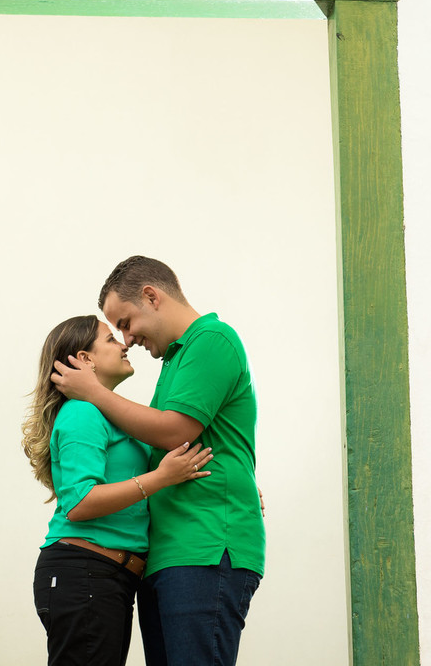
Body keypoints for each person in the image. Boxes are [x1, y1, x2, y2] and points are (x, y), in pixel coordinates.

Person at [51, 256, 265, 666]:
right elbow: (167, 446)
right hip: (166, 555)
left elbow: (174, 432)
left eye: (126, 323)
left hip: (202, 548)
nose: (127, 339)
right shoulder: (174, 361)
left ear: (151, 296)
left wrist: (94, 391)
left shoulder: (212, 340)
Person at [24, 314, 213, 666]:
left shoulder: (109, 414)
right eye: (110, 339)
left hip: (106, 578)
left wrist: (226, 490)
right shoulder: (82, 412)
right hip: (85, 573)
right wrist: (161, 478)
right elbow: (79, 503)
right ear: (84, 360)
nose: (124, 343)